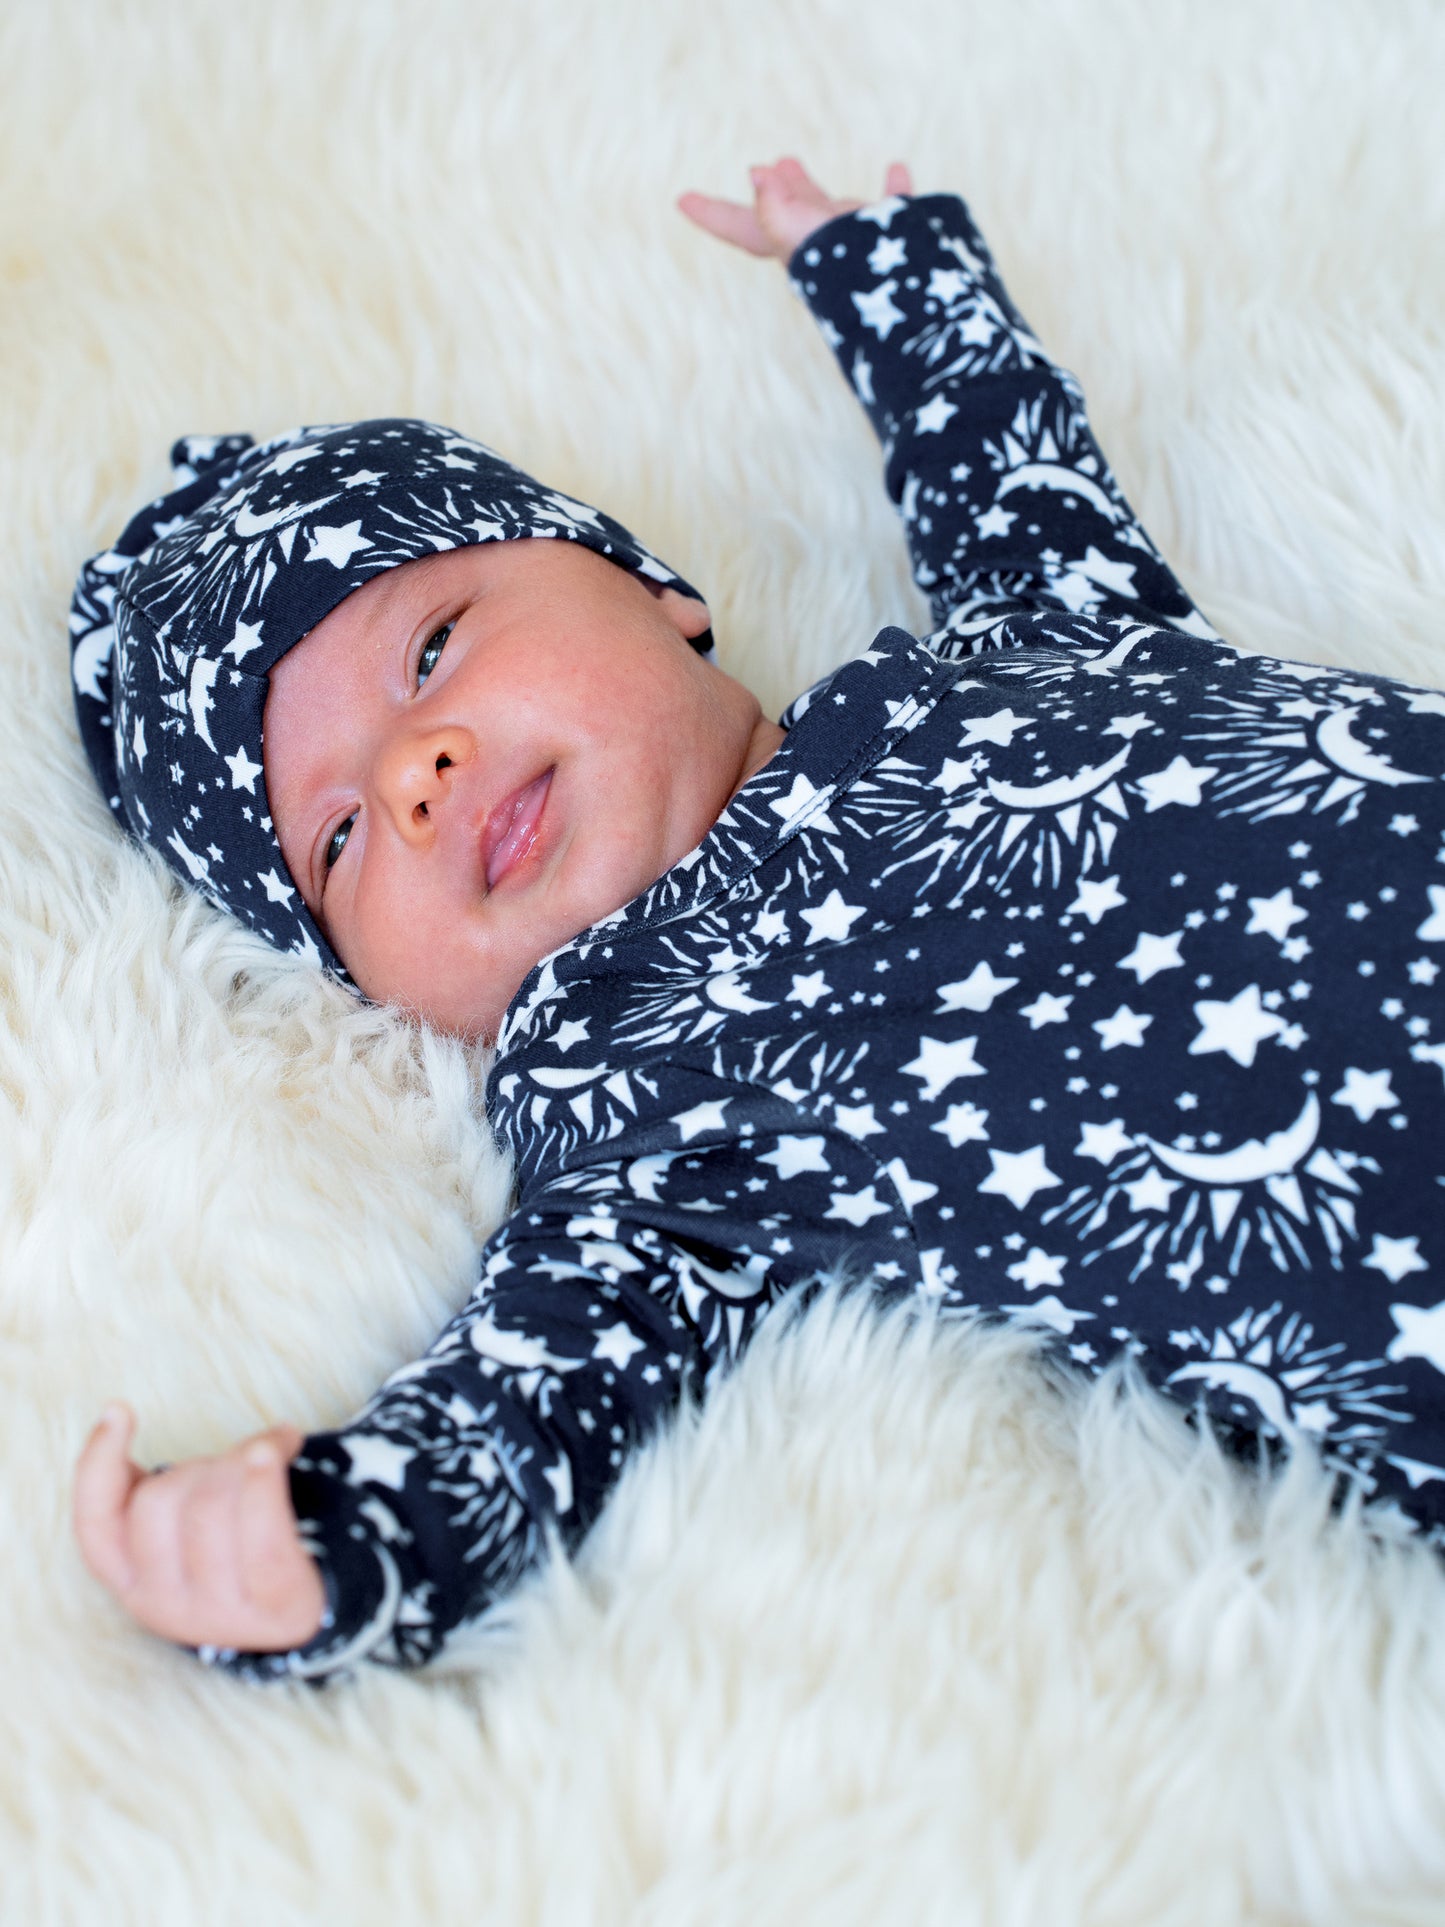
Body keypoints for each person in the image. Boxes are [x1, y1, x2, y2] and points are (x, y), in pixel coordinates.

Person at [70, 159, 1445, 1683]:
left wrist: (880, 273)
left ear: (654, 593)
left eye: (437, 649)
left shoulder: (1028, 646)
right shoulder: (644, 1097)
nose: (416, 770)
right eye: (334, 840)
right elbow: (521, 1418)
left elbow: (1008, 474)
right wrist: (323, 1548)